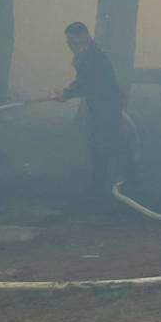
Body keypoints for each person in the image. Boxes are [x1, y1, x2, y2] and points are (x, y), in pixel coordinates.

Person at [49, 22, 136, 200]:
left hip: (107, 108)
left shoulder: (93, 57)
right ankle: (122, 183)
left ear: (85, 37)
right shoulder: (87, 55)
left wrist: (67, 93)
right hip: (102, 108)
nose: (70, 46)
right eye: (68, 43)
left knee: (104, 146)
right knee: (107, 145)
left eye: (73, 41)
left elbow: (87, 83)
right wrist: (68, 92)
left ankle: (110, 187)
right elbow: (84, 81)